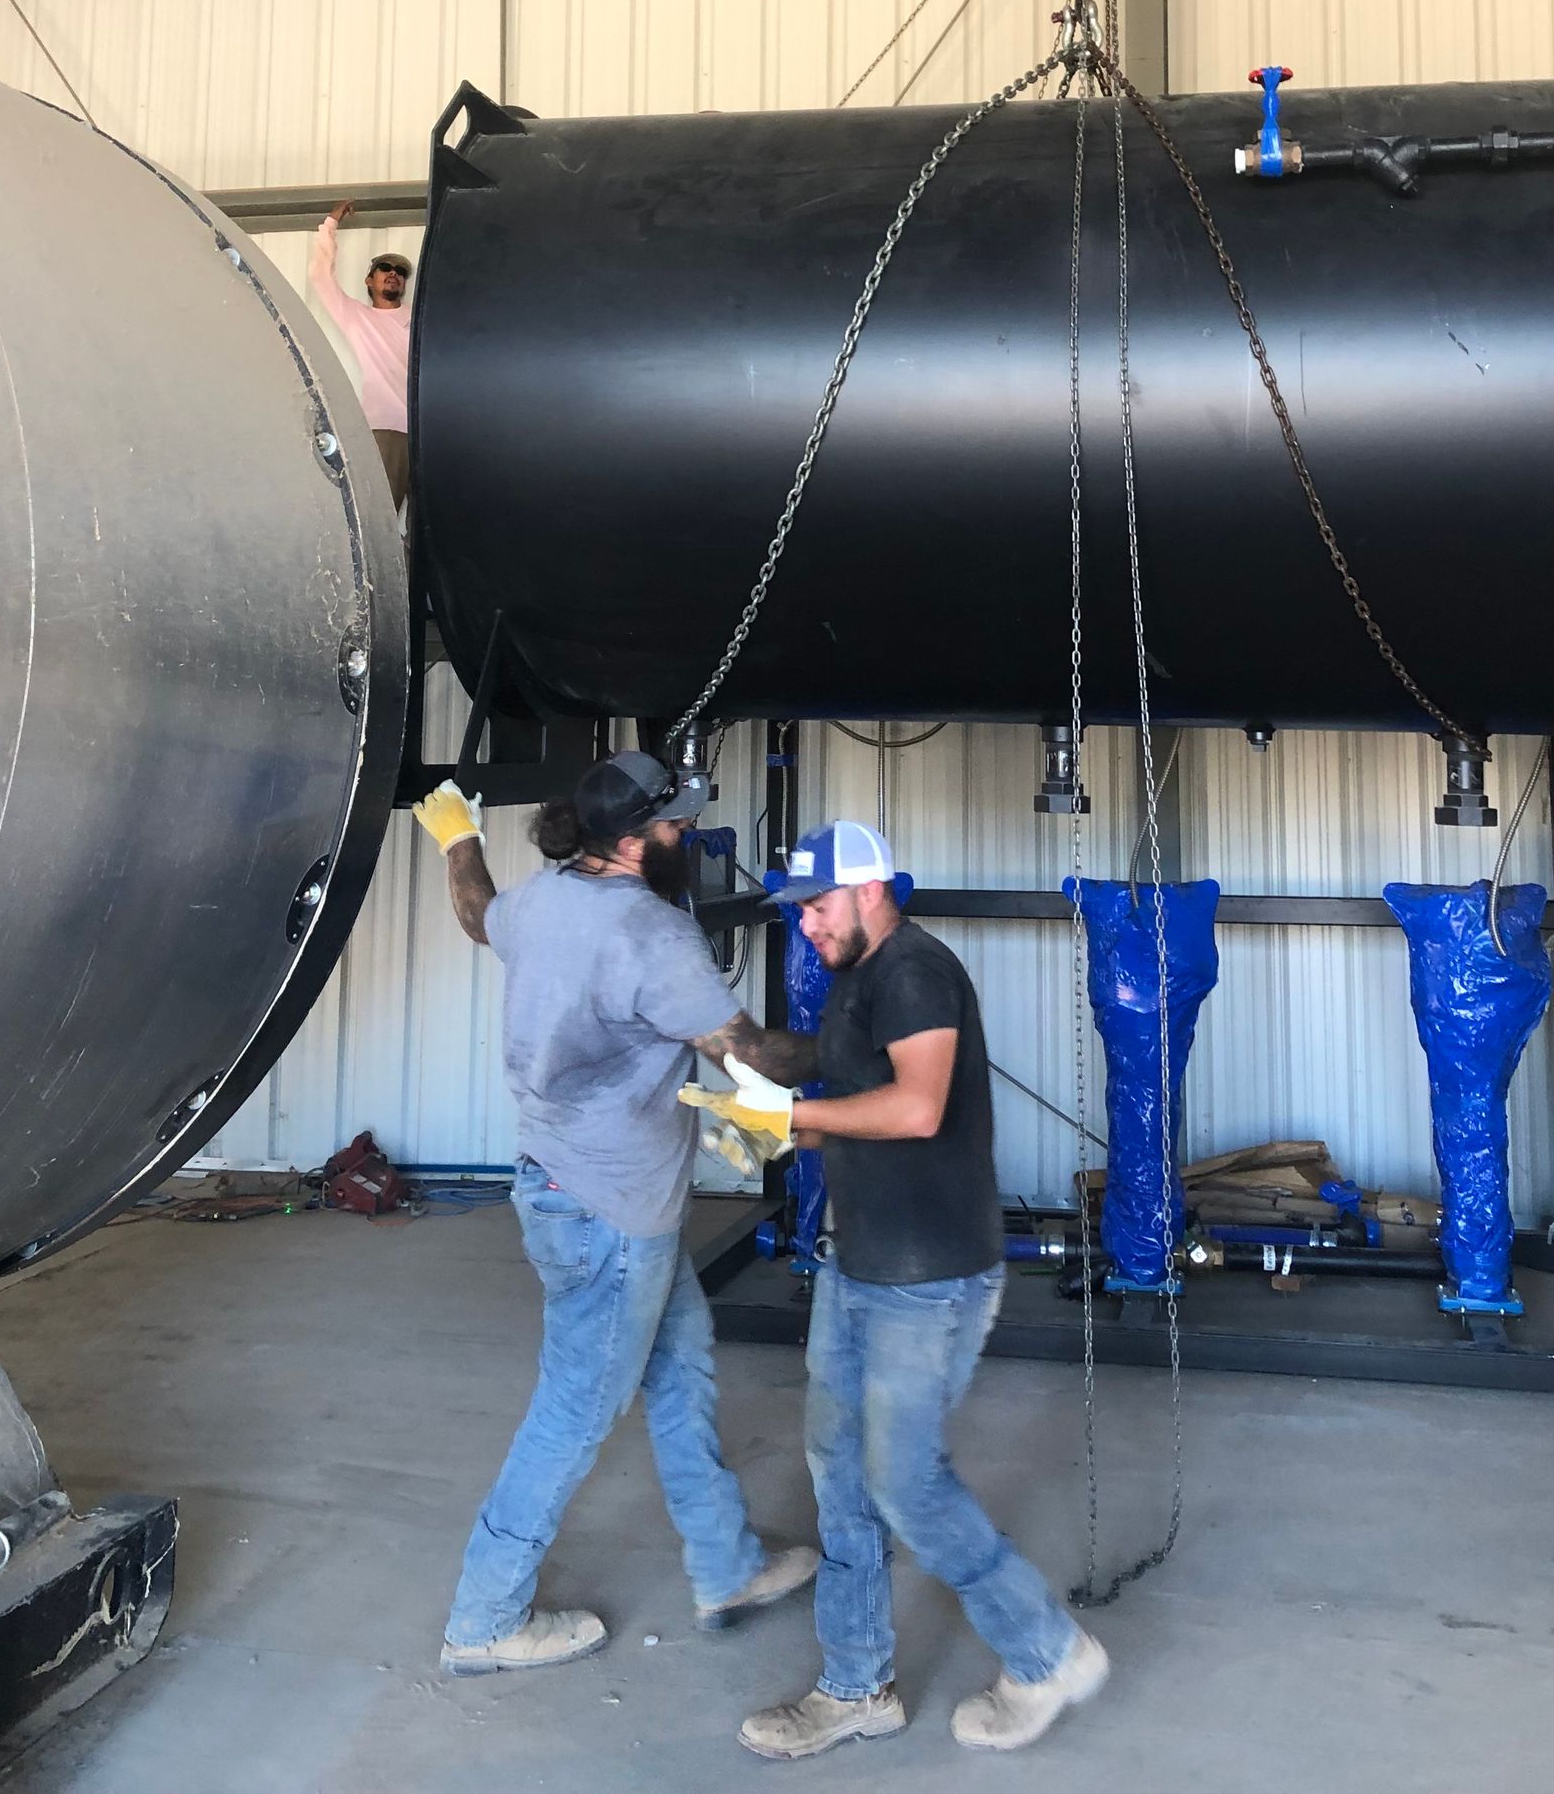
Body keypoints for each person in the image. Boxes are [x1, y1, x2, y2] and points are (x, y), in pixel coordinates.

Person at [413, 750, 821, 1677]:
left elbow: (477, 913)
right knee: (572, 1412)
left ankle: (727, 1567)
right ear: (637, 841)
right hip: (610, 1216)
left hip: (583, 1192)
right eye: (678, 824)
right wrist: (862, 1037)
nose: (689, 836)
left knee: (681, 1371)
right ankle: (484, 1618)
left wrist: (460, 840)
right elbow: (748, 1053)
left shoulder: (540, 901)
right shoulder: (650, 933)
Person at [737, 821, 1108, 1761]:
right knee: (836, 1467)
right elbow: (853, 1090)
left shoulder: (915, 972)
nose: (807, 925)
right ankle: (856, 1687)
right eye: (801, 912)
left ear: (868, 891)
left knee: (903, 1482)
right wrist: (775, 1124)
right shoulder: (856, 974)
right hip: (859, 1263)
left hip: (930, 1278)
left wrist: (793, 1113)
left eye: (817, 906)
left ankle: (1048, 1652)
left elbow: (917, 1107)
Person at [310, 198, 412, 510]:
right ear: (370, 280)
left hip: (432, 432)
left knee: (432, 525)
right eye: (385, 268)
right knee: (380, 514)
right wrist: (331, 222)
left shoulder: (422, 316)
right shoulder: (356, 316)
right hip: (386, 429)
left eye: (400, 271)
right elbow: (320, 276)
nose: (393, 273)